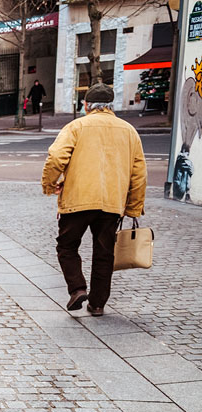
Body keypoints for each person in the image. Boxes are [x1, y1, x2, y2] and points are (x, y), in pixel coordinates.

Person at [41, 82, 147, 317]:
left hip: (77, 200)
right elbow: (139, 173)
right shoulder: (129, 130)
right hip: (111, 203)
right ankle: (97, 304)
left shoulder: (76, 126)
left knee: (67, 246)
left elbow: (56, 157)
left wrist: (49, 185)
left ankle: (77, 289)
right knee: (104, 253)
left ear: (87, 105)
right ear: (111, 106)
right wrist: (133, 207)